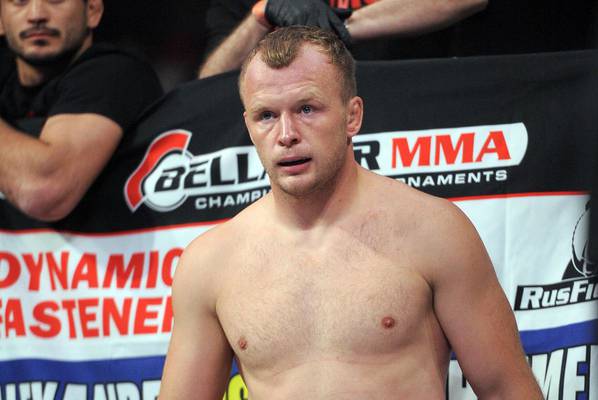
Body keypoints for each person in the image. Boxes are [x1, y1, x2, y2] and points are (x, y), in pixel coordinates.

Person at [160, 26, 543, 399]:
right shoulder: (211, 262)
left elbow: (506, 389)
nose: (286, 134)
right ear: (249, 125)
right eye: (267, 116)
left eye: (306, 109)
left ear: (352, 116)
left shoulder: (434, 232)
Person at [0, 0, 162, 221]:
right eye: (20, 2)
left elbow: (43, 190)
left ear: (92, 10)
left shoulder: (114, 73)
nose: (36, 15)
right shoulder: (5, 79)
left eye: (55, 0)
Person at [198, 0, 488, 78]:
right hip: (306, 125)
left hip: (413, 113)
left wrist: (340, 25)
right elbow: (210, 79)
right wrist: (260, 17)